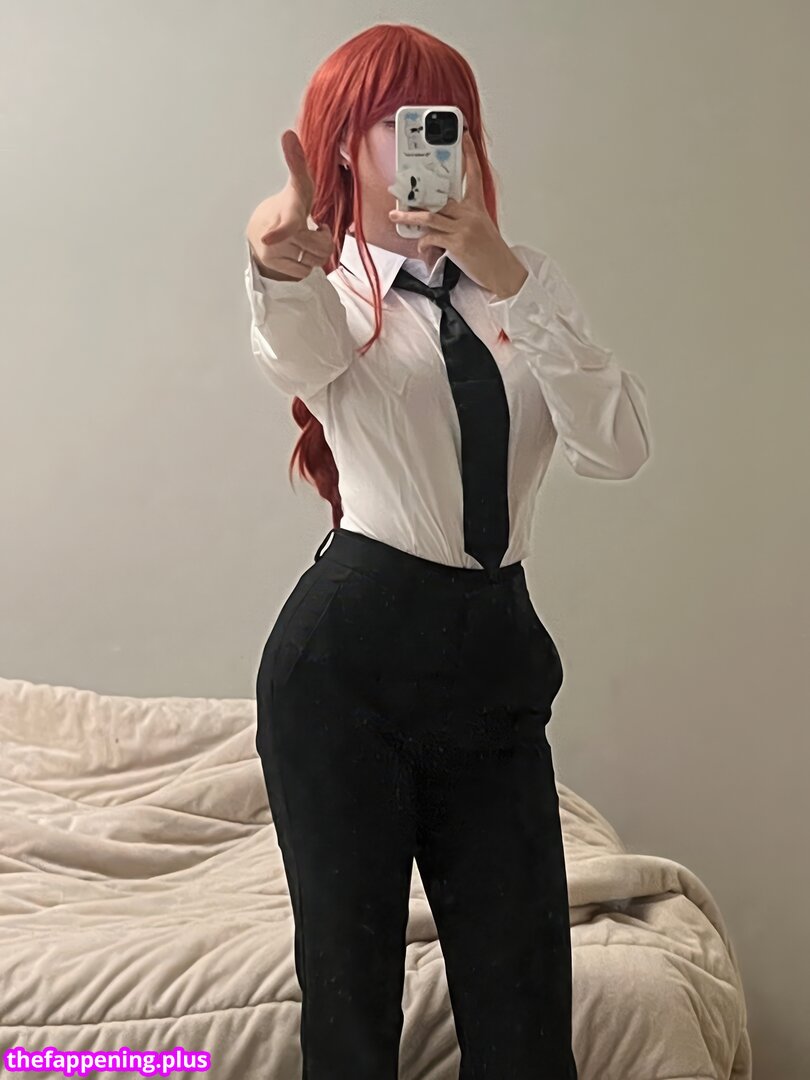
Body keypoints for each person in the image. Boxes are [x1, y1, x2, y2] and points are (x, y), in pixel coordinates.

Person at [244, 22, 651, 1080]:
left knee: (524, 1011)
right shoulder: (331, 287)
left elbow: (616, 448)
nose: (432, 139)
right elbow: (294, 351)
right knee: (351, 998)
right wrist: (272, 263)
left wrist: (508, 278)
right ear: (344, 144)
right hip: (346, 669)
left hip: (493, 659)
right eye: (397, 120)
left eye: (449, 119)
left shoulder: (528, 285)